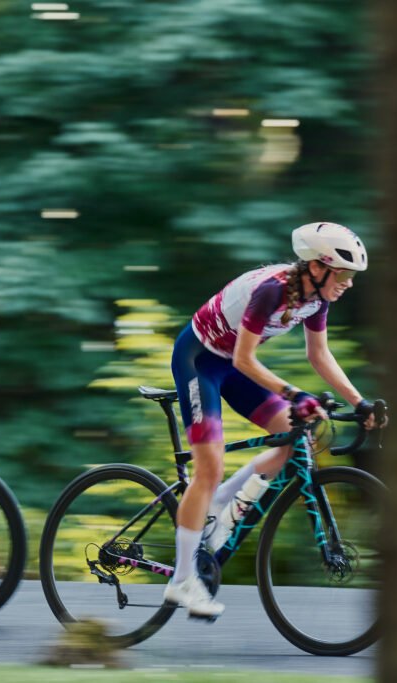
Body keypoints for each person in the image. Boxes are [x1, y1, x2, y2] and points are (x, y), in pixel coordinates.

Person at [163, 222, 385, 617]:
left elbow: (319, 354)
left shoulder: (316, 299)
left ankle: (219, 502)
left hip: (232, 365)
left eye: (352, 276)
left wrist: (360, 401)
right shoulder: (272, 291)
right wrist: (295, 394)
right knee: (209, 467)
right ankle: (182, 581)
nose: (348, 284)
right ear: (316, 267)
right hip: (199, 361)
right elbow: (244, 359)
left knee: (294, 436)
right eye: (343, 274)